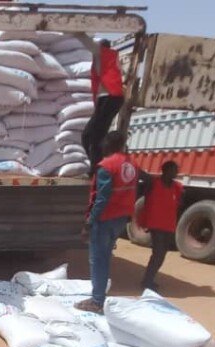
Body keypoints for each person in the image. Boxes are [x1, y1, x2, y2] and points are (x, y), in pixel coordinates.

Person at [76, 131, 139, 314]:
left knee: (98, 259)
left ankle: (96, 301)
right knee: (105, 257)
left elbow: (102, 198)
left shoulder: (107, 166)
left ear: (109, 144)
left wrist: (89, 221)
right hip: (120, 218)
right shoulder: (131, 164)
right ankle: (98, 296)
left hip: (105, 218)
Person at [78, 36, 126, 171]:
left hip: (110, 98)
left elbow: (87, 42)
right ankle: (98, 165)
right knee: (93, 135)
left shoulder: (105, 54)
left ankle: (97, 167)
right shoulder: (109, 58)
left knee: (91, 135)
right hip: (108, 98)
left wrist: (76, 32)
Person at [138, 161, 184, 291]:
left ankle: (149, 279)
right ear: (165, 170)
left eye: (176, 170)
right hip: (155, 223)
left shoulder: (177, 187)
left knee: (161, 253)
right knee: (158, 252)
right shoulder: (153, 183)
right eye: (174, 170)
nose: (176, 172)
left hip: (168, 224)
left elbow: (179, 204)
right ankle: (147, 281)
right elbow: (140, 175)